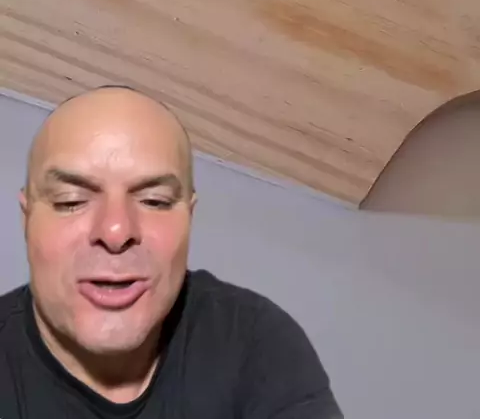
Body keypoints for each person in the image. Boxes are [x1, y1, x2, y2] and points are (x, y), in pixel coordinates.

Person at [0, 84, 343, 418]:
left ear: (189, 218)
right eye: (70, 201)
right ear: (27, 218)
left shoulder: (257, 342)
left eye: (155, 201)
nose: (116, 231)